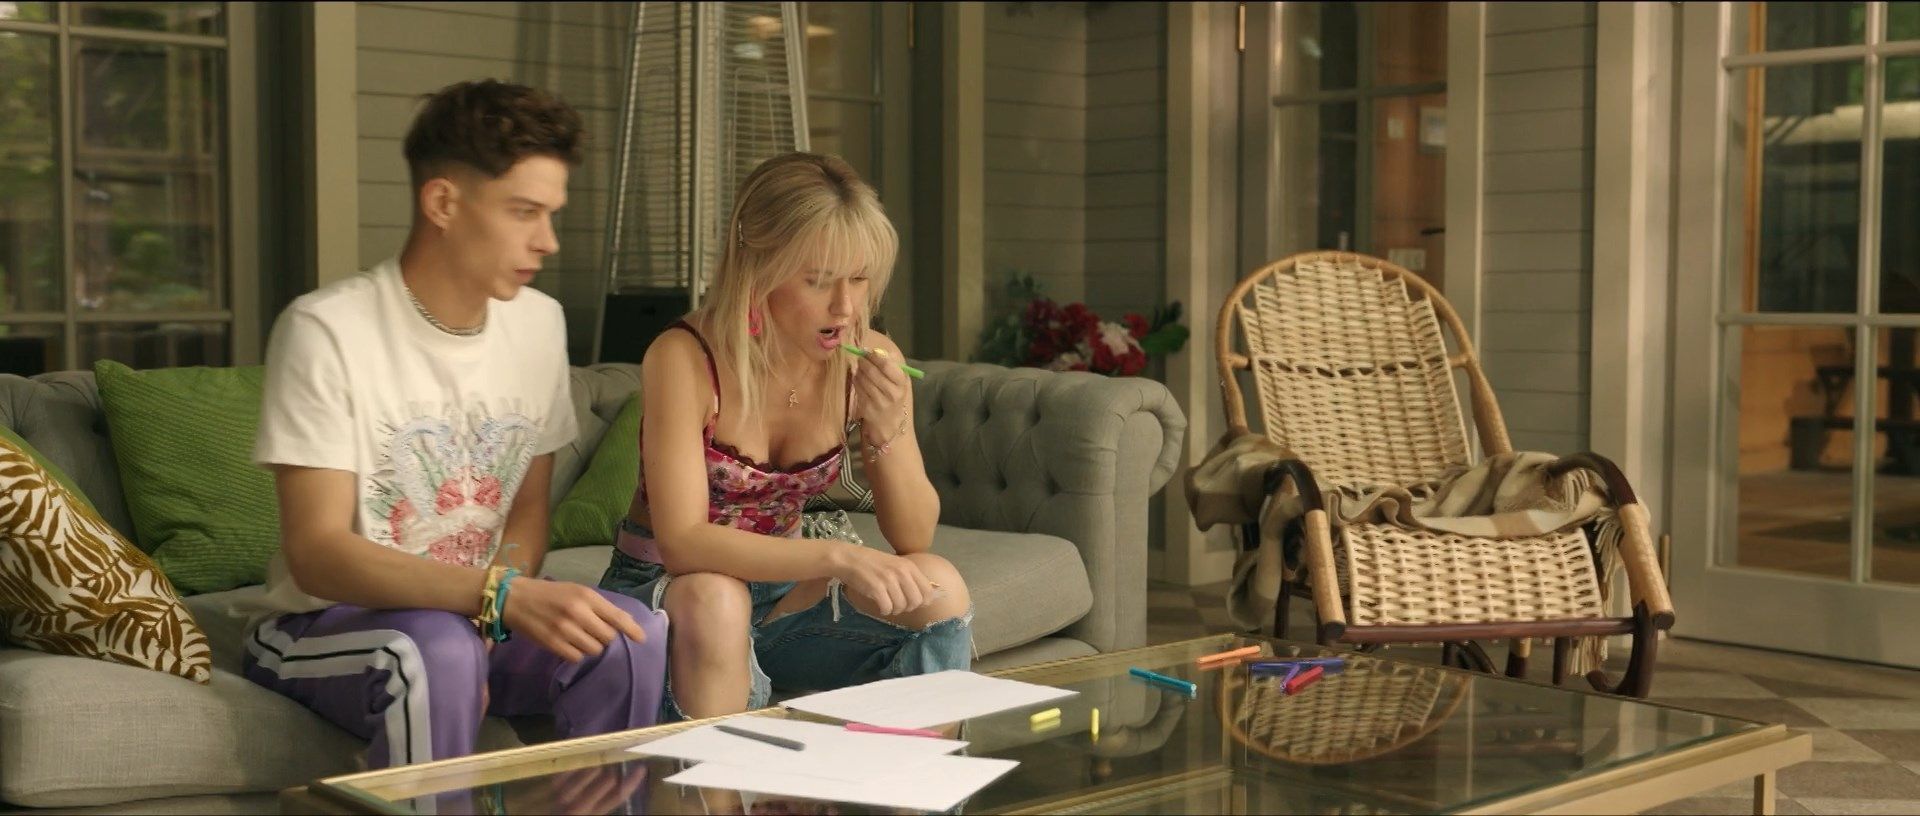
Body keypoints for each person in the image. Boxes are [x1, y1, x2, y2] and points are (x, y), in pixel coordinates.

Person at [240, 79, 669, 770]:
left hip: (473, 616)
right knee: (435, 652)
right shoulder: (326, 329)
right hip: (325, 621)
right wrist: (493, 598)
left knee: (626, 634)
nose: (548, 241)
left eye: (551, 214)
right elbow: (318, 552)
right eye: (524, 212)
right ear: (442, 202)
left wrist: (493, 613)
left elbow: (526, 511)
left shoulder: (539, 324)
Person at [601, 152, 973, 721]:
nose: (845, 307)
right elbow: (683, 542)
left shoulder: (869, 357)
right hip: (674, 591)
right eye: (819, 280)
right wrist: (837, 557)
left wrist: (887, 423)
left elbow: (914, 534)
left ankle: (914, 771)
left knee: (938, 586)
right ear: (759, 268)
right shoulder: (683, 357)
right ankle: (717, 777)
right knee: (716, 598)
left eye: (859, 278)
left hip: (782, 596)